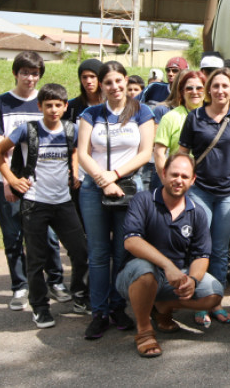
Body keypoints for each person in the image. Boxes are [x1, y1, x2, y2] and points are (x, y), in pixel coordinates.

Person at [0, 83, 89, 328]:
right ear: (40, 107)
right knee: (35, 258)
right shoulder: (28, 130)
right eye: (48, 105)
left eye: (58, 105)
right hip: (35, 203)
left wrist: (74, 170)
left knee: (81, 252)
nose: (53, 110)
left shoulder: (71, 129)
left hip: (64, 203)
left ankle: (79, 296)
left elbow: (76, 149)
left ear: (66, 107)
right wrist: (12, 180)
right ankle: (40, 308)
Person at [116, 154, 224, 358]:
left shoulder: (197, 212)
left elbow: (201, 255)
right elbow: (131, 241)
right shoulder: (144, 200)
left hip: (174, 279)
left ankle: (163, 307)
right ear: (163, 174)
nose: (179, 180)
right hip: (135, 277)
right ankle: (144, 331)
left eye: (185, 176)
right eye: (174, 174)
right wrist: (167, 265)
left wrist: (193, 280)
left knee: (214, 293)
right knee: (145, 271)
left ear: (192, 180)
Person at [177, 67, 230, 326]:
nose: (221, 91)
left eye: (226, 86)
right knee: (201, 248)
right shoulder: (194, 118)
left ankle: (215, 302)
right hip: (200, 190)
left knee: (221, 249)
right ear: (208, 90)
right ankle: (199, 302)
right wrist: (180, 185)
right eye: (216, 86)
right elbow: (183, 154)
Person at [77, 61, 155, 339]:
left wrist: (115, 176)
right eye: (108, 82)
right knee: (99, 254)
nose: (115, 87)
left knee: (122, 252)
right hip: (93, 188)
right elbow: (83, 153)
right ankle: (98, 312)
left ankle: (117, 306)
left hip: (128, 188)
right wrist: (102, 180)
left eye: (119, 81)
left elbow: (145, 153)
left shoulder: (142, 112)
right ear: (101, 85)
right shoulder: (90, 113)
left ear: (126, 81)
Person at [0, 51, 66, 311]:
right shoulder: (1, 103)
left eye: (34, 73)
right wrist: (10, 180)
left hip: (43, 183)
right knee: (13, 236)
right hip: (8, 180)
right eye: (25, 73)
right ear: (15, 73)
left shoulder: (46, 102)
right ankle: (19, 288)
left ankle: (56, 282)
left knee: (50, 236)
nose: (30, 78)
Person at [153, 70, 207, 184]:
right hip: (180, 182)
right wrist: (167, 181)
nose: (194, 92)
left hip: (208, 182)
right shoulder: (170, 118)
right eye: (189, 88)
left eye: (199, 88)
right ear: (182, 92)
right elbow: (159, 153)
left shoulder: (214, 117)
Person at [65, 58, 103, 124]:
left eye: (92, 76)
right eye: (84, 77)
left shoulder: (111, 105)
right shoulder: (71, 107)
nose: (88, 81)